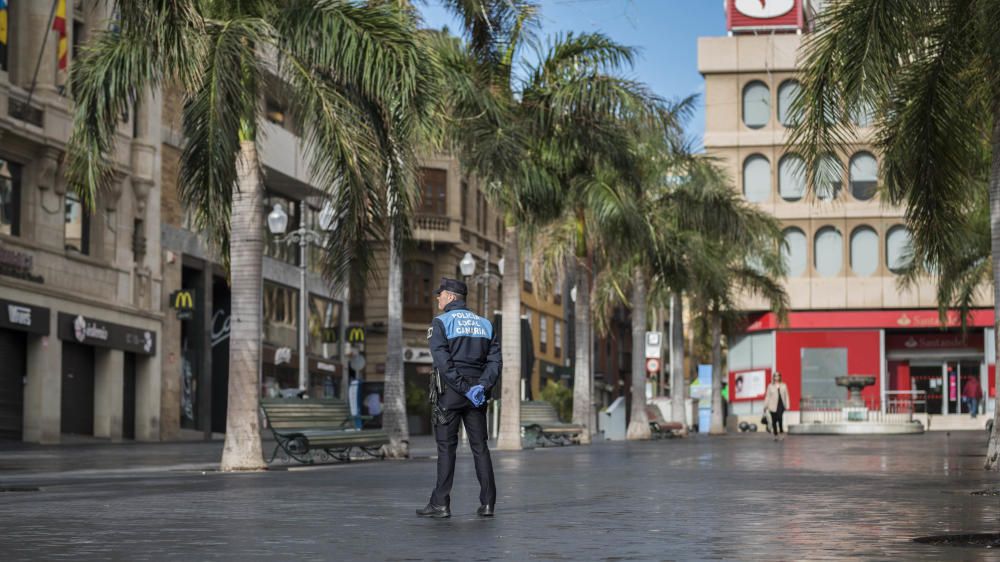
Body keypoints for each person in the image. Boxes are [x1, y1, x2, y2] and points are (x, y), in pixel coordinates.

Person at [417, 278, 501, 519]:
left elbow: (443, 363)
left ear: (451, 297)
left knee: (446, 448)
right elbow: (495, 361)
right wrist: (481, 387)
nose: (438, 298)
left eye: (440, 294)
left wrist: (463, 388)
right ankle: (488, 504)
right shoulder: (485, 324)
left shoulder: (440, 322)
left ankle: (440, 504)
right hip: (478, 395)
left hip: (451, 393)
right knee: (480, 448)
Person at [764, 372, 790, 441]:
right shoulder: (770, 386)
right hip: (772, 405)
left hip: (781, 405)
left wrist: (787, 406)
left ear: (780, 377)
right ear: (773, 377)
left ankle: (781, 433)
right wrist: (765, 406)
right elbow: (767, 396)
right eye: (775, 376)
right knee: (774, 421)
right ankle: (775, 435)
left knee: (780, 419)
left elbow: (787, 396)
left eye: (778, 376)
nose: (777, 377)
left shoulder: (784, 385)